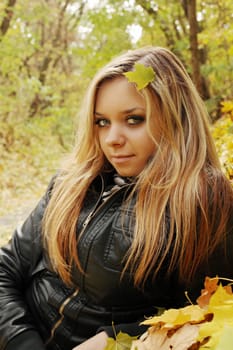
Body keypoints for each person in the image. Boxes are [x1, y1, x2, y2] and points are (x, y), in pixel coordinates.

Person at [0, 46, 233, 350]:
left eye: (134, 119)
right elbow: (7, 267)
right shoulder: (73, 181)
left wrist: (114, 339)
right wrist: (22, 341)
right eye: (102, 122)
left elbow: (206, 315)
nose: (112, 139)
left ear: (175, 117)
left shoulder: (202, 200)